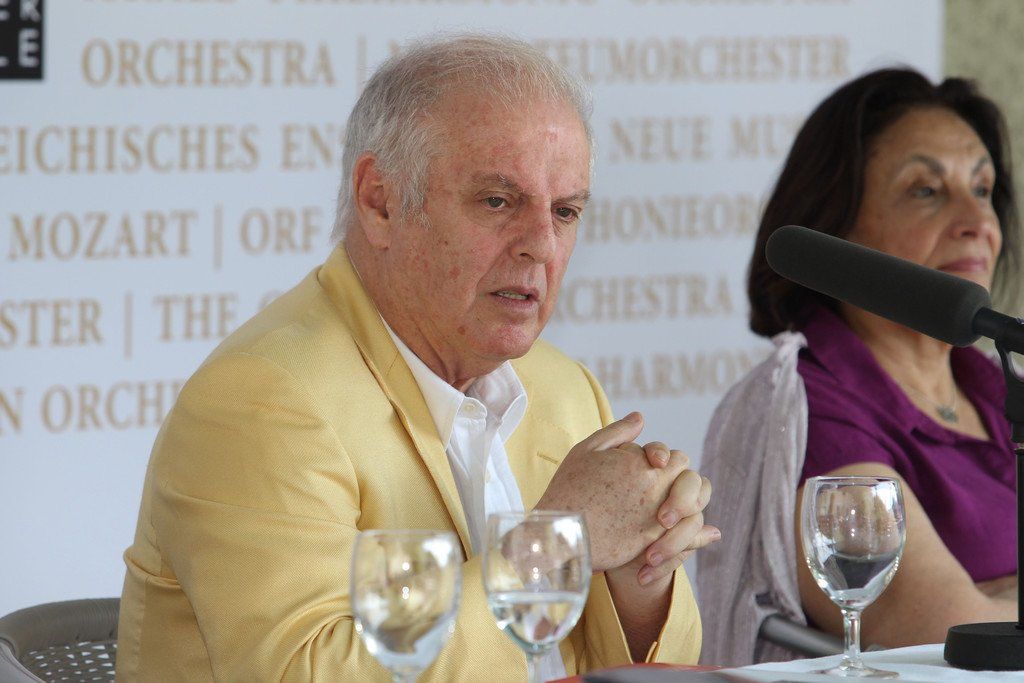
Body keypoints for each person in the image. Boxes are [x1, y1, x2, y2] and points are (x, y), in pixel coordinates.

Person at [116, 34, 717, 680]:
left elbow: (666, 666)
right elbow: (307, 673)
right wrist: (550, 548)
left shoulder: (565, 388)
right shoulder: (261, 400)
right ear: (380, 201)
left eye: (565, 211)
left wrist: (640, 573)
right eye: (498, 201)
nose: (542, 245)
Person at [699, 67, 1021, 662]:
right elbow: (947, 631)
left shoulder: (1000, 384)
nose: (976, 222)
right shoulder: (809, 410)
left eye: (982, 189)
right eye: (926, 190)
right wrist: (983, 604)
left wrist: (999, 596)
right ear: (837, 227)